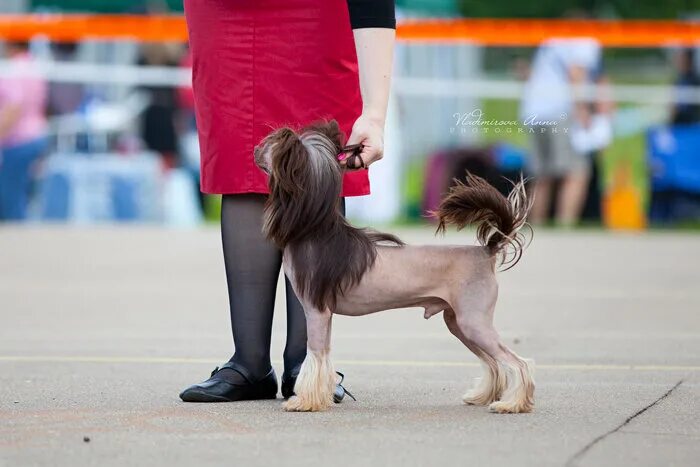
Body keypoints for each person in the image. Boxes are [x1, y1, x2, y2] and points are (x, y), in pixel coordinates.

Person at [179, 0, 396, 402]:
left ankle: (307, 361)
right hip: (223, 15)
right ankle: (249, 362)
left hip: (316, 15)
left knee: (316, 164)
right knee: (241, 161)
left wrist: (375, 114)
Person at [520, 37, 601, 226]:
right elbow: (576, 73)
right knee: (577, 172)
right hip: (559, 111)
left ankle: (535, 227)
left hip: (533, 110)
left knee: (542, 176)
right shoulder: (586, 41)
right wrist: (582, 109)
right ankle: (565, 226)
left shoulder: (552, 40)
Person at [0, 41, 48, 221]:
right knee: (25, 196)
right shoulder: (35, 67)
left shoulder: (12, 70)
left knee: (10, 200)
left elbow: (13, 108)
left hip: (17, 141)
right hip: (37, 137)